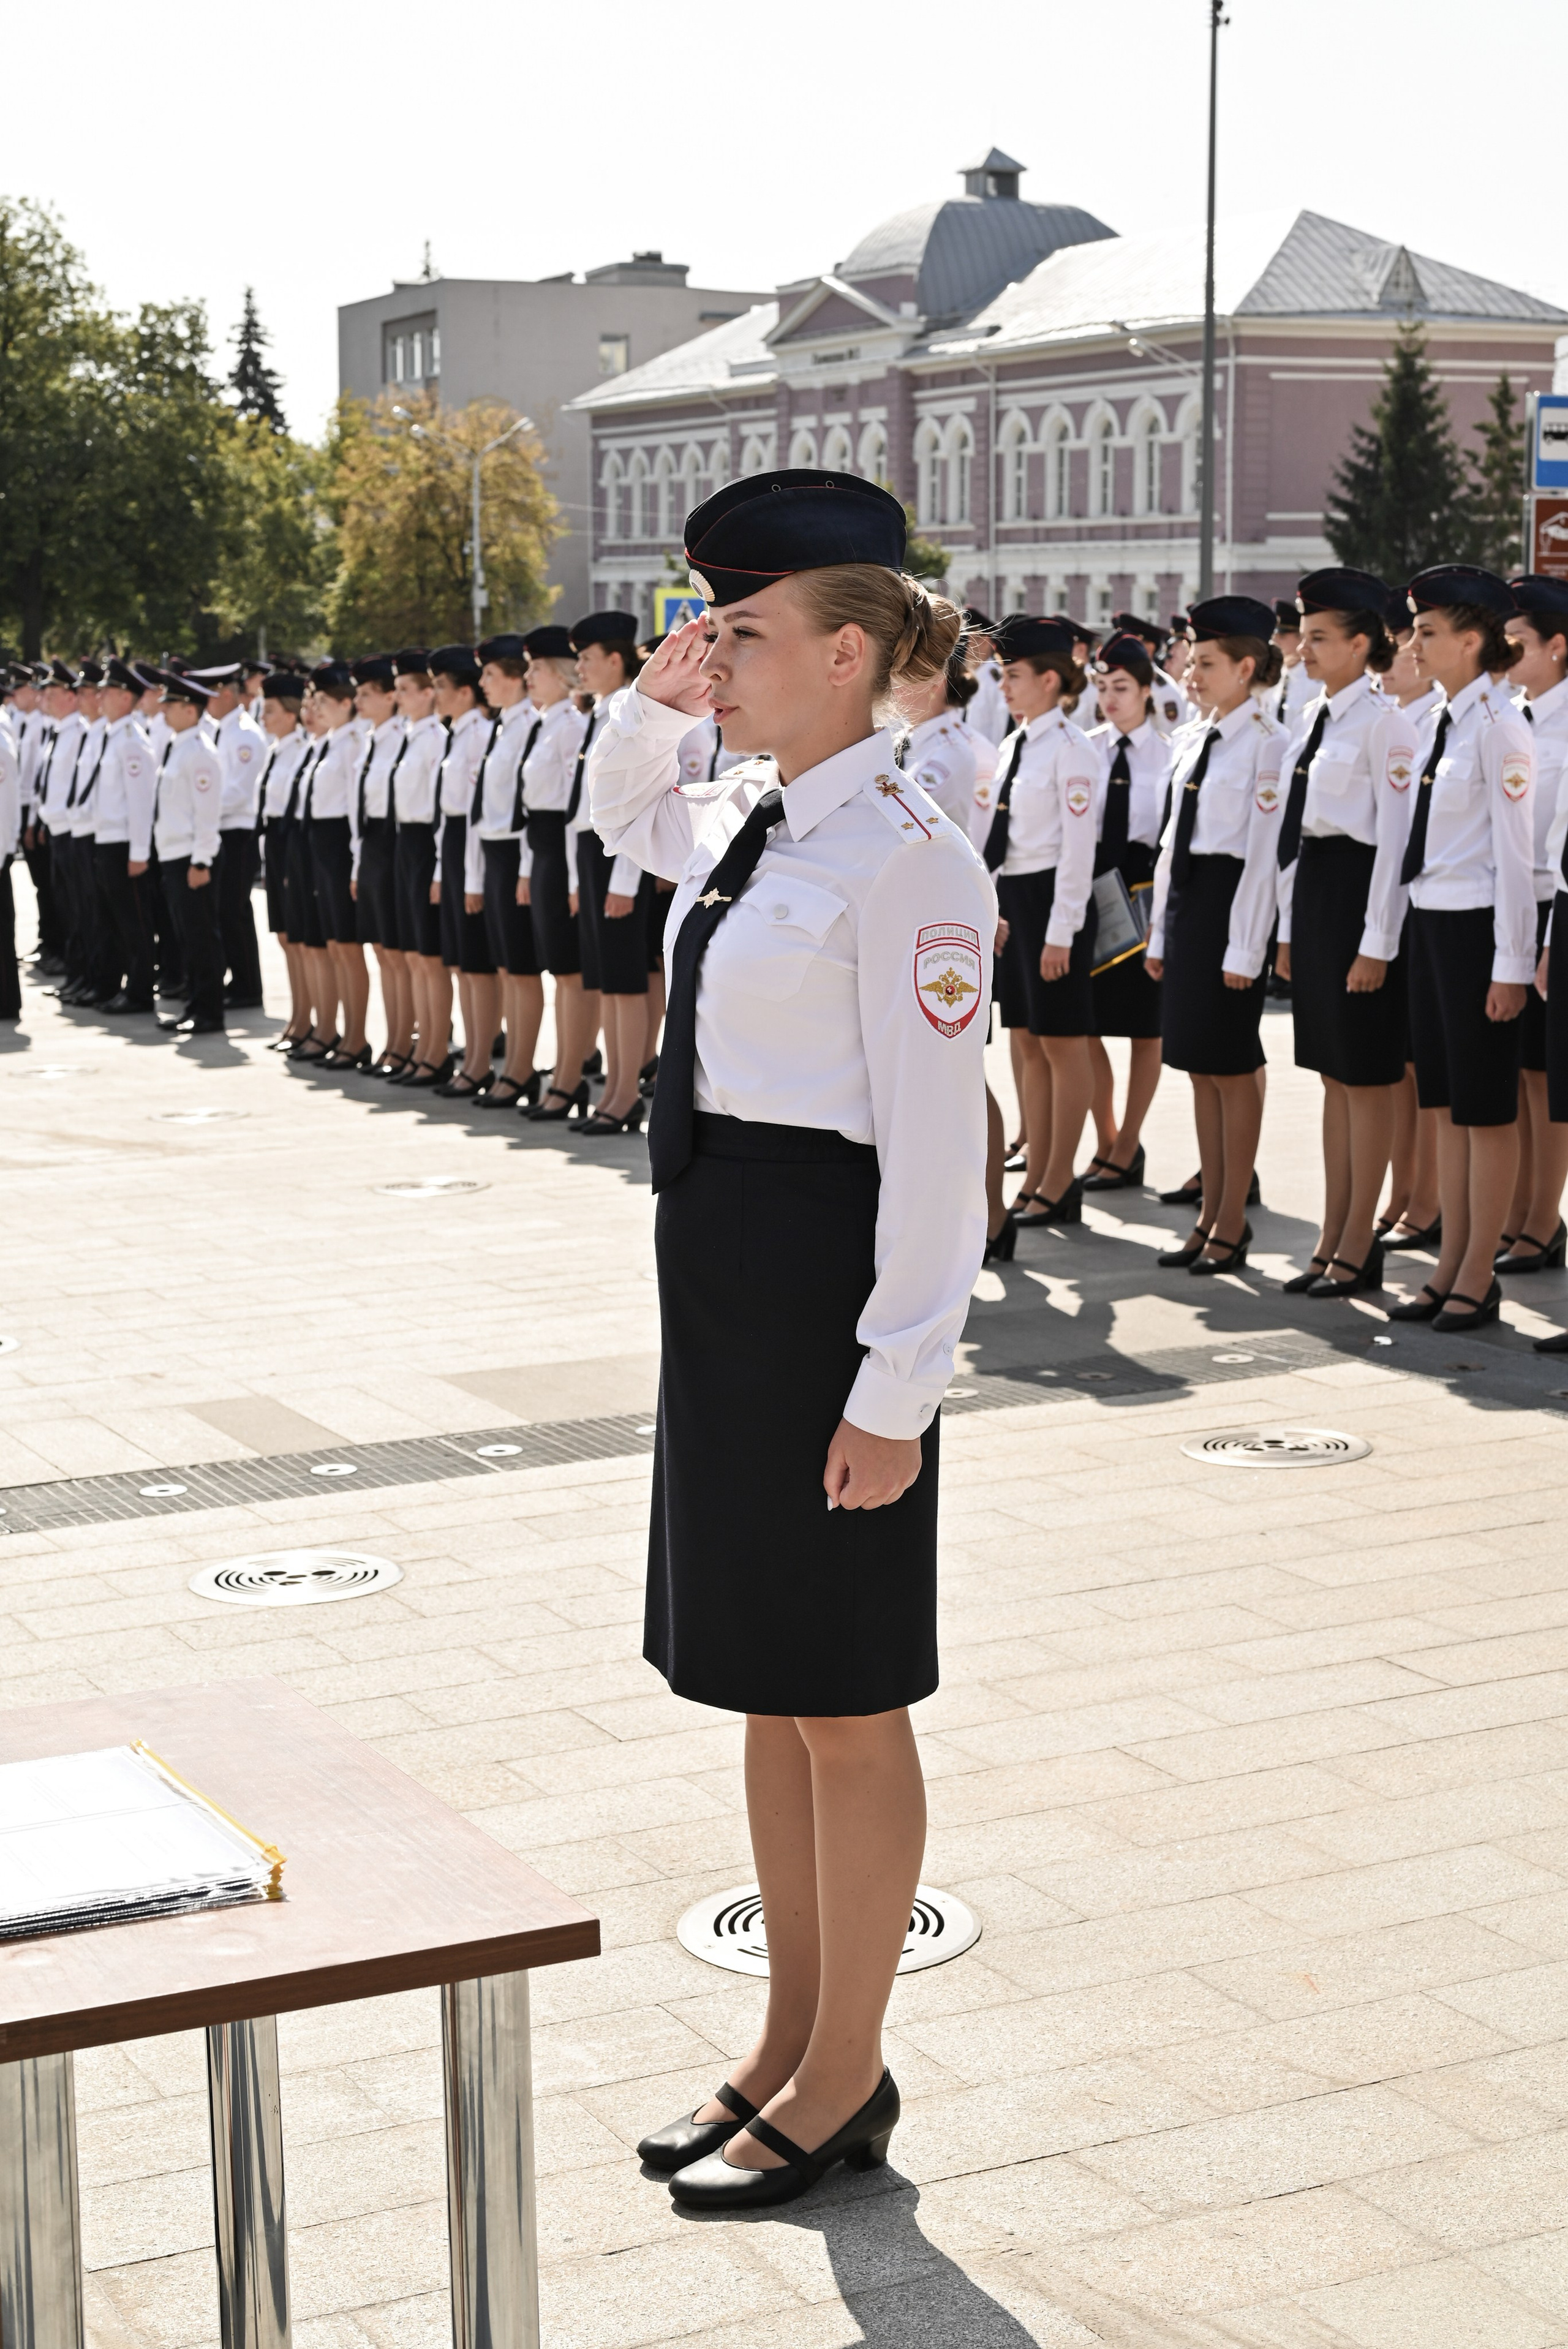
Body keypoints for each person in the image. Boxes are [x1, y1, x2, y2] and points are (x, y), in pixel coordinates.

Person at [590, 467, 991, 2211]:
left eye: (741, 631)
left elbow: (935, 1151)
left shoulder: (914, 857)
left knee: (848, 1697)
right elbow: (623, 826)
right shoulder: (761, 816)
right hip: (731, 1282)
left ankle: (849, 2073)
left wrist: (897, 1386)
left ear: (848, 652)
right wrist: (647, 708)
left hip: (828, 1282)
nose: (710, 653)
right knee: (765, 1678)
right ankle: (785, 2036)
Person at [1387, 566, 1534, 1332]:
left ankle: (1479, 1272)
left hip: (1478, 929)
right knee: (1442, 1102)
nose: (1413, 642)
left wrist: (1512, 963)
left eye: (1429, 631)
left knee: (1484, 1108)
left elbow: (1512, 858)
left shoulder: (1500, 727)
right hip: (1432, 922)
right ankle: (1449, 1263)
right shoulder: (1438, 722)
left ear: (1473, 641)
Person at [1273, 568, 1419, 1296]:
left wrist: (1376, 943)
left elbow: (1393, 846)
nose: (1304, 648)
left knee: (1365, 1078)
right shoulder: (1316, 717)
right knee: (1333, 1078)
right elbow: (1297, 833)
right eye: (1304, 635)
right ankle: (1332, 1235)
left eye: (1320, 637)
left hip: (1362, 896)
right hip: (1320, 896)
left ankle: (1361, 1245)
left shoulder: (1386, 723)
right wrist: (1289, 927)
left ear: (1362, 644)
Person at [1146, 596, 1286, 1273]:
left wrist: (1246, 946)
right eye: (1193, 661)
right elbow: (1172, 845)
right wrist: (1158, 936)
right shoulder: (1195, 735)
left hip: (1232, 910)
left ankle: (1233, 1219)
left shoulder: (1268, 743)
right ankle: (1209, 1214)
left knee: (1232, 1066)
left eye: (1206, 663)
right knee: (1200, 1068)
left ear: (1246, 666)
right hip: (1189, 908)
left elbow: (1263, 856)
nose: (1191, 675)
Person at [983, 616, 1098, 1227]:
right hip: (1017, 903)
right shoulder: (1013, 743)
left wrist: (1061, 933)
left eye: (1013, 675)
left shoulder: (1072, 750)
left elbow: (1077, 852)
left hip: (1055, 901)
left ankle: (1060, 1177)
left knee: (1061, 1042)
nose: (1002, 686)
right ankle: (1035, 1173)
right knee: (1026, 1041)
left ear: (1050, 679)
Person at [1079, 632, 1172, 1191]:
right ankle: (1106, 1136)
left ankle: (1129, 1141)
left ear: (1146, 691)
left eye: (1122, 688)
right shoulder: (1085, 746)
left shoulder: (1169, 752)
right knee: (1086, 1024)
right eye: (1103, 687)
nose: (1111, 698)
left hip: (1143, 890)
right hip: (1092, 889)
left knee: (1143, 1026)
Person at [1500, 575, 1568, 1272]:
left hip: (1554, 904)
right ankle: (1522, 1206)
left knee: (1546, 1075)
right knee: (1518, 1069)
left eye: (1518, 641)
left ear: (1557, 646)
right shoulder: (1514, 714)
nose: (1506, 651)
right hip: (1514, 906)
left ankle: (1545, 1218)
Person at [571, 613, 657, 1133]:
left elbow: (634, 797)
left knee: (625, 984)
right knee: (607, 982)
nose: (578, 667)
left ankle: (626, 1095)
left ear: (615, 659)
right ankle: (613, 1091)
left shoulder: (629, 711)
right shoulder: (602, 711)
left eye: (586, 657)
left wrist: (625, 881)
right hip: (593, 855)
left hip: (618, 858)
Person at [1377, 609, 1445, 1248]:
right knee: (1399, 1068)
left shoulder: (1427, 724)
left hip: (1427, 910)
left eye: (1402, 648)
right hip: (1396, 913)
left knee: (1423, 1071)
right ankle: (1405, 1191)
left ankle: (1427, 1198)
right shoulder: (1402, 722)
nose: (1396, 659)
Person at [464, 632, 545, 1109]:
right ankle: (511, 1065)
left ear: (516, 679)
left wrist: (526, 871)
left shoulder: (532, 728)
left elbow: (532, 812)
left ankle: (521, 1068)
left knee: (521, 968)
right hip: (494, 855)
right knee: (504, 966)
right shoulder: (499, 727)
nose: (483, 683)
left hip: (517, 855)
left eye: (491, 674)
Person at [517, 633, 593, 1120]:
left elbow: (570, 809)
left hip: (563, 852)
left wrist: (569, 878)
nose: (528, 678)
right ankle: (563, 1073)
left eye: (536, 670)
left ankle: (570, 1078)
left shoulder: (570, 726)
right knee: (558, 973)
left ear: (561, 675)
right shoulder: (545, 725)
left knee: (569, 974)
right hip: (543, 850)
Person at [430, 644, 496, 1095]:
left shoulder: (477, 735)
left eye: (440, 686)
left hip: (472, 848)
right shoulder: (456, 733)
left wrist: (472, 877)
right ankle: (471, 1058)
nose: (436, 694)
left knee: (476, 963)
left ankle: (480, 1060)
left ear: (465, 691)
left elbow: (475, 814)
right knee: (460, 963)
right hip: (453, 847)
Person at [296, 662, 368, 1065]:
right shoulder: (330, 742)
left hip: (341, 847)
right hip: (321, 847)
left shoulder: (354, 742)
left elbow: (354, 809)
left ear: (347, 703)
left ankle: (356, 1036)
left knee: (348, 945)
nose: (317, 708)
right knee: (335, 946)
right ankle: (335, 1031)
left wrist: (355, 863)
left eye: (325, 701)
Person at [149, 671, 225, 1036]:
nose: (164, 710)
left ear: (191, 711)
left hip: (190, 859)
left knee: (200, 938)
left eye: (172, 704)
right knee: (186, 937)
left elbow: (208, 814)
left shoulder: (200, 753)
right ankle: (195, 1006)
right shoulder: (178, 746)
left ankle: (209, 1012)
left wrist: (201, 860)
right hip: (173, 854)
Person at [388, 649, 451, 1084]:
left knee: (430, 957)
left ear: (429, 693)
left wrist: (438, 869)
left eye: (407, 689)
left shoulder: (436, 738)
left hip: (428, 843)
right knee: (412, 955)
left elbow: (439, 810)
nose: (400, 697)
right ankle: (419, 1044)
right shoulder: (408, 735)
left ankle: (435, 1049)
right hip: (404, 844)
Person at [350, 654, 412, 1075]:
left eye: (366, 693)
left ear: (391, 697)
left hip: (394, 847)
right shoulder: (369, 739)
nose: (358, 701)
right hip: (372, 849)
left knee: (398, 954)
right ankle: (393, 1041)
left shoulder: (402, 738)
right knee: (381, 952)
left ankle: (405, 1042)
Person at [195, 663, 267, 1012]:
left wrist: (203, 811)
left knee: (233, 910)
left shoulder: (245, 734)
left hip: (238, 832)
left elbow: (238, 791)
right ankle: (236, 980)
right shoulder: (216, 730)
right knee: (223, 911)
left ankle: (247, 986)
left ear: (226, 693)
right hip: (220, 830)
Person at [91, 658, 158, 1015]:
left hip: (124, 845)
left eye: (106, 691)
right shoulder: (113, 736)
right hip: (108, 841)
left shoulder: (132, 742)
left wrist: (139, 851)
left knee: (135, 922)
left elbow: (141, 803)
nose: (99, 696)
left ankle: (141, 991)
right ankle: (121, 986)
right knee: (115, 921)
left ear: (123, 697)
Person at [257, 672, 314, 1050]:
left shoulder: (301, 750)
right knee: (284, 937)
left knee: (298, 938)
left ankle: (308, 1018)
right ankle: (298, 1016)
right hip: (274, 843)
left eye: (271, 710)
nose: (263, 717)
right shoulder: (276, 749)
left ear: (291, 714)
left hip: (291, 841)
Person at [1273, 598, 1315, 730]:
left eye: (1282, 636)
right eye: (1274, 635)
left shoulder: (1314, 680)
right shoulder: (1274, 676)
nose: (1275, 640)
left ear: (1300, 637)